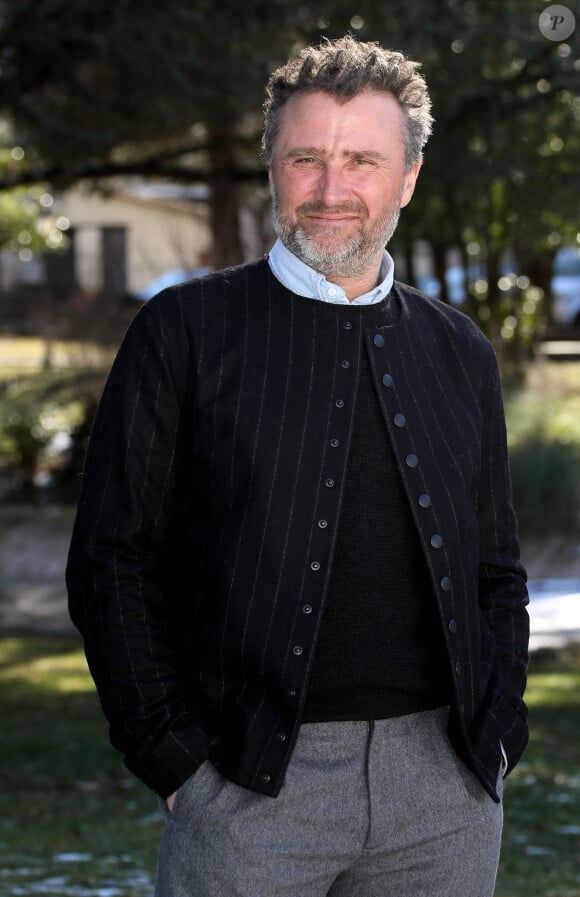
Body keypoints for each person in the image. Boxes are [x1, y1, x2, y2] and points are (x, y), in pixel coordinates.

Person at [66, 35, 530, 897]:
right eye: (306, 157)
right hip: (245, 788)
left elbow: (496, 569)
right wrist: (175, 760)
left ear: (408, 178)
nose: (331, 189)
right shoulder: (185, 333)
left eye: (362, 160)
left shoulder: (460, 350)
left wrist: (498, 735)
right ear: (273, 168)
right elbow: (110, 560)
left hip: (444, 792)